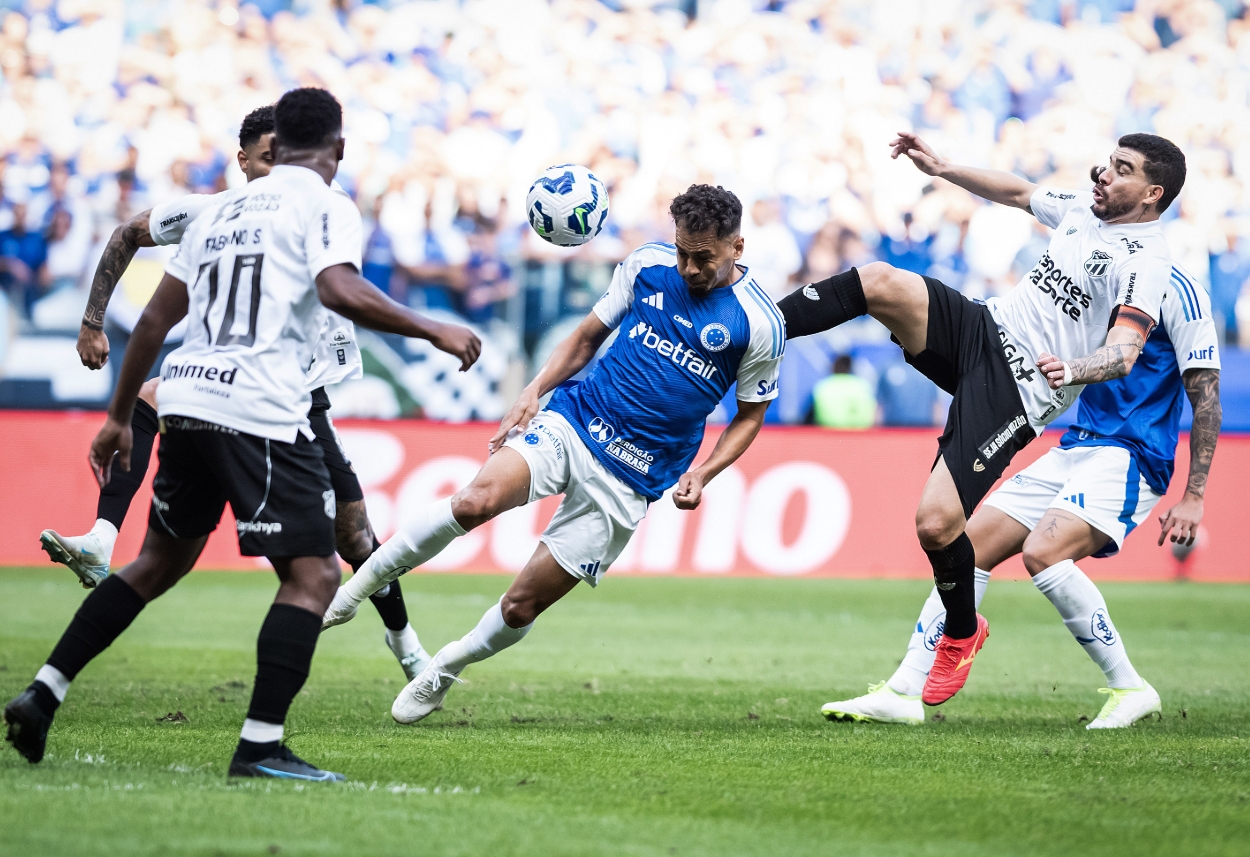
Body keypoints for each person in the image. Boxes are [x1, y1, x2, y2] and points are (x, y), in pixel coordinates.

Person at [3, 88, 480, 780]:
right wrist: (432, 326)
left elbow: (153, 322)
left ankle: (44, 691)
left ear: (275, 144)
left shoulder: (216, 209)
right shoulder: (325, 204)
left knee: (156, 563)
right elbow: (341, 289)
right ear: (337, 151)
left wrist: (116, 417)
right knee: (314, 575)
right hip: (258, 405)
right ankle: (260, 745)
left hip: (186, 393)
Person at [322, 184, 785, 724]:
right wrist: (533, 391)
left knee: (522, 605)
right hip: (578, 417)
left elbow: (750, 415)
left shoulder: (758, 323)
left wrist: (704, 471)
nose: (687, 268)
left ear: (737, 247)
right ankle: (353, 591)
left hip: (634, 475)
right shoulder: (646, 266)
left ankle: (444, 669)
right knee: (474, 500)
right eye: (682, 251)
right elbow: (588, 337)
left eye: (702, 257)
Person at [778, 131, 1185, 705]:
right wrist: (944, 169)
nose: (1103, 173)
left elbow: (1124, 352)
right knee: (881, 281)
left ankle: (963, 633)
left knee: (936, 525)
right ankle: (759, 326)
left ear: (1152, 193)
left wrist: (1074, 367)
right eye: (1107, 162)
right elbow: (1018, 192)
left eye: (1121, 170)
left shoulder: (1147, 261)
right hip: (982, 329)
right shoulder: (1081, 209)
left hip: (1017, 389)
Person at [821, 264, 1221, 728]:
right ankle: (905, 690)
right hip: (1079, 444)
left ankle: (1130, 686)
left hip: (1134, 454)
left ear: (1151, 198)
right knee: (967, 544)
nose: (1101, 187)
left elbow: (1205, 393)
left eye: (1116, 183)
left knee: (1044, 553)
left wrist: (1195, 495)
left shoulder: (1182, 291)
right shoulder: (1095, 268)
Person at [809, 354, 876, 429]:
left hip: (828, 432)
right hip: (860, 433)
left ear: (833, 367)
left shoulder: (823, 386)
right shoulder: (863, 386)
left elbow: (809, 416)